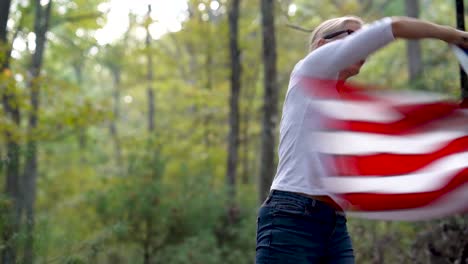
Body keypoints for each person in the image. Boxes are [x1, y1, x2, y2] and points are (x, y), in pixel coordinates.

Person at [255, 15, 468, 264]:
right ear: (323, 45)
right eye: (353, 35)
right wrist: (455, 36)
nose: (363, 44)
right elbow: (393, 27)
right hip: (291, 216)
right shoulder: (309, 69)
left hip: (333, 221)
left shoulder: (342, 104)